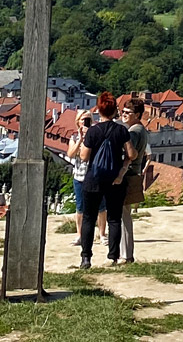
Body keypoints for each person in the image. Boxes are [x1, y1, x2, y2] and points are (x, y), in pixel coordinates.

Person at [74, 93, 132, 269]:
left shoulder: (93, 131)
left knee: (89, 219)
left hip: (93, 179)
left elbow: (84, 157)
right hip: (115, 179)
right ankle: (112, 256)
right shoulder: (121, 130)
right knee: (114, 219)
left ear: (99, 110)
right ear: (115, 110)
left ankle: (86, 258)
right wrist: (122, 168)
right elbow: (131, 154)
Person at [120, 97, 150, 265]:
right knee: (125, 215)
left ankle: (126, 255)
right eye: (123, 111)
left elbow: (129, 155)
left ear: (137, 114)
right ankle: (126, 253)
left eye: (128, 112)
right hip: (134, 174)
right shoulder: (141, 130)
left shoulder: (134, 132)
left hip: (128, 175)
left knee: (123, 216)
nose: (124, 114)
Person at [69, 112, 94, 218]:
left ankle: (102, 233)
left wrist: (89, 135)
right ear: (78, 121)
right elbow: (70, 154)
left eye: (87, 119)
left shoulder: (95, 134)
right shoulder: (74, 137)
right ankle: (80, 233)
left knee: (100, 206)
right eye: (82, 119)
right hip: (79, 176)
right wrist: (80, 139)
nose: (84, 122)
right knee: (80, 207)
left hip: (93, 175)